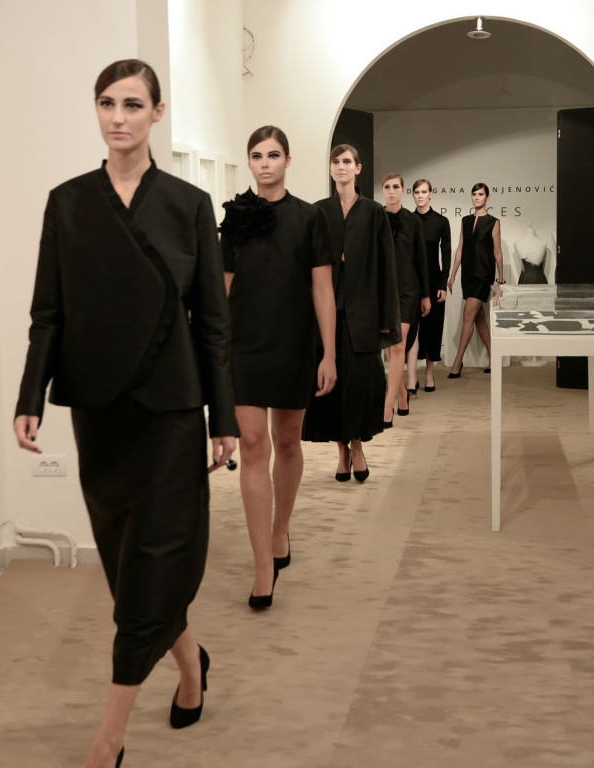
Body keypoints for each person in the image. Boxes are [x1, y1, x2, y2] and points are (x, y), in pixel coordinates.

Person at [12, 60, 237, 768]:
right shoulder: (68, 202)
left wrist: (224, 417)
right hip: (100, 410)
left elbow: (213, 324)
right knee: (124, 564)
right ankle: (191, 661)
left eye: (133, 104)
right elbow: (48, 313)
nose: (118, 117)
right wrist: (29, 397)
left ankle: (110, 735)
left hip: (172, 409)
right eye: (107, 103)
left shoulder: (189, 205)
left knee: (155, 558)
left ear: (157, 113)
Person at [220, 125, 337, 610]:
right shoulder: (235, 217)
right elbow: (223, 287)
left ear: (287, 161)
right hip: (243, 345)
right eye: (256, 156)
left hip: (292, 342)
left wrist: (329, 353)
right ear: (249, 162)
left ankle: (280, 529)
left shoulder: (310, 218)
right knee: (252, 445)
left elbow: (323, 288)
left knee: (288, 441)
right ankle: (262, 568)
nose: (264, 163)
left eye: (272, 155)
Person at [303, 144, 400, 482]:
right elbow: (307, 264)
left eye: (347, 161)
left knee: (361, 383)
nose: (341, 166)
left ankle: (357, 444)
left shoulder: (374, 213)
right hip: (326, 313)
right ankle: (341, 451)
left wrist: (387, 320)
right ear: (330, 168)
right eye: (336, 161)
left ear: (358, 168)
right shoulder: (318, 211)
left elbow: (386, 268)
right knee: (332, 387)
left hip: (364, 313)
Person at [381, 173, 429, 427]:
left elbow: (421, 259)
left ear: (402, 191)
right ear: (382, 190)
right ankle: (401, 394)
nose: (391, 191)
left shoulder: (413, 221)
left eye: (396, 187)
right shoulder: (376, 218)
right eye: (387, 187)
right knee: (390, 350)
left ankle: (387, 406)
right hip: (383, 291)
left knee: (399, 346)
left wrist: (426, 295)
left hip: (408, 291)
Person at [447, 182, 505, 377]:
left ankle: (457, 362)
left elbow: (497, 251)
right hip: (468, 274)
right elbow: (460, 249)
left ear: (487, 197)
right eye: (474, 194)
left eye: (480, 194)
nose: (477, 197)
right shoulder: (465, 220)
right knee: (479, 319)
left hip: (483, 274)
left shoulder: (493, 222)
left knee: (467, 316)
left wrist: (500, 281)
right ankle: (494, 358)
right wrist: (453, 275)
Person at [409, 178, 451, 392]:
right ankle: (412, 376)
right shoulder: (407, 220)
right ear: (413, 195)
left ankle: (429, 374)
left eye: (424, 192)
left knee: (433, 328)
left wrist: (443, 284)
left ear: (431, 194)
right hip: (412, 281)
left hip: (434, 281)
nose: (420, 195)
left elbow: (446, 255)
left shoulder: (441, 222)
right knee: (413, 328)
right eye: (417, 192)